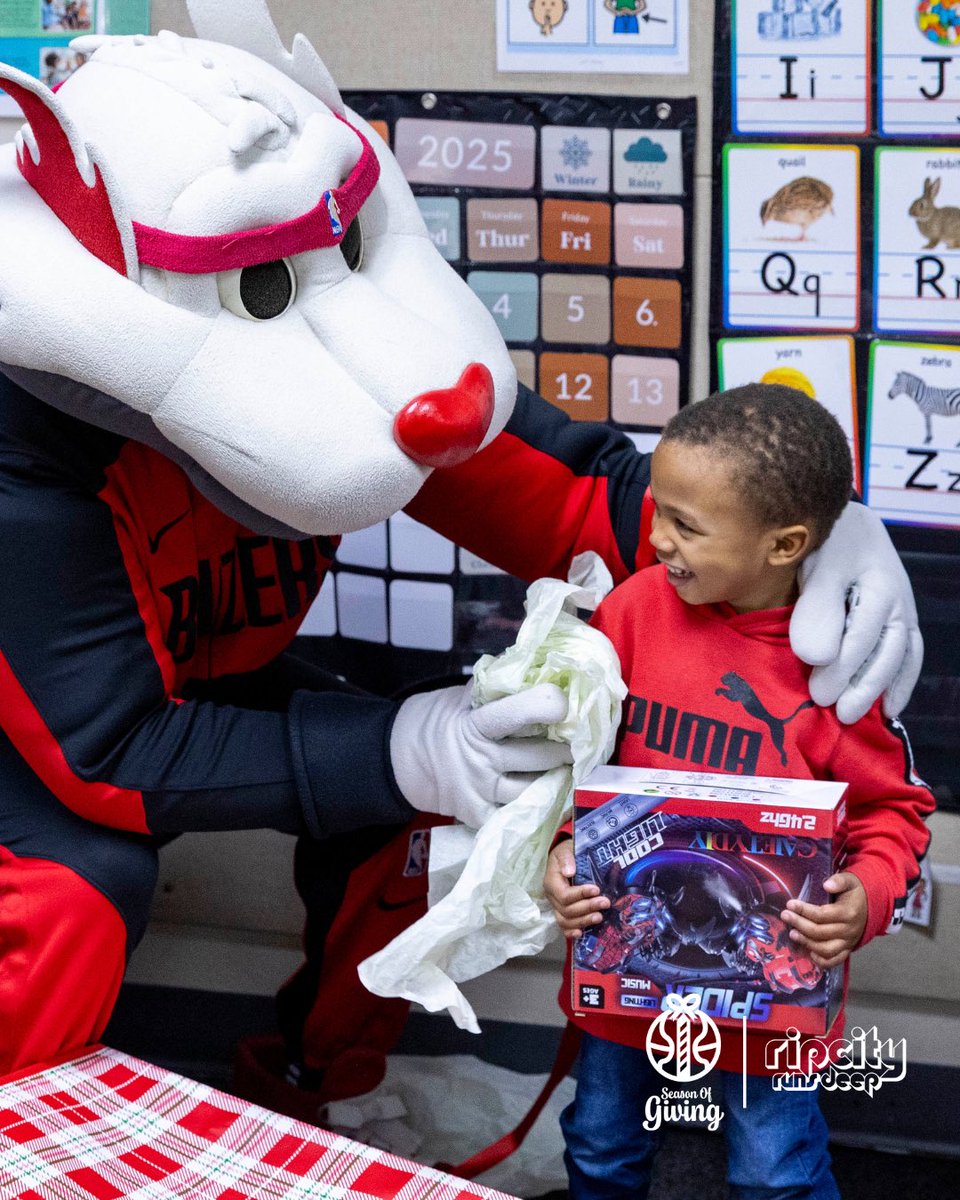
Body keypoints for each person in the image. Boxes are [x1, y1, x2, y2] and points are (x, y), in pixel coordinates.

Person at [0, 12, 924, 1110]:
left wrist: (813, 530)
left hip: (175, 679)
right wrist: (402, 743)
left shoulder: (353, 357)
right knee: (79, 892)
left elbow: (575, 497)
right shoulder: (33, 463)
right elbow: (104, 750)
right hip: (52, 733)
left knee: (416, 798)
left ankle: (318, 1086)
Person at [544, 384, 935, 1200]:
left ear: (785, 543)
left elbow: (895, 813)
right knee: (600, 1147)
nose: (657, 538)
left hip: (772, 990)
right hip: (626, 969)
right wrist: (558, 854)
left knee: (774, 1169)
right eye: (659, 511)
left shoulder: (836, 673)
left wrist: (864, 898)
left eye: (687, 525)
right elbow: (570, 768)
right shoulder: (630, 611)